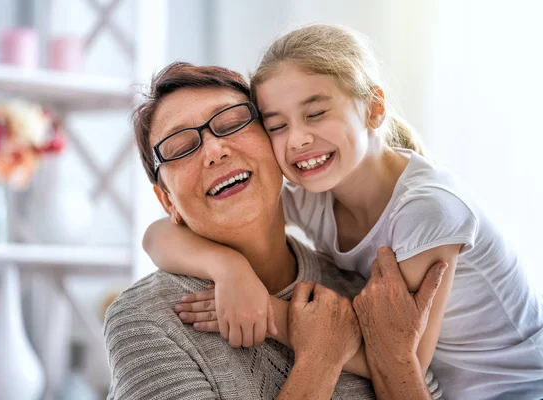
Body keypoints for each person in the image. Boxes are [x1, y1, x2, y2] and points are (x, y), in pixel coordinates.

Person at [144, 25, 543, 399]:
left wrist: (271, 314)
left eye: (315, 113)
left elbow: (402, 361)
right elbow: (156, 235)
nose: (298, 138)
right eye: (277, 125)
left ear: (374, 108)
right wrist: (228, 269)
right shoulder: (316, 192)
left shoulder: (428, 212)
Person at [104, 62, 444, 399]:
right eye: (180, 148)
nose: (214, 150)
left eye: (233, 122)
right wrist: (319, 359)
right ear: (167, 202)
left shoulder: (363, 291)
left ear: (276, 141)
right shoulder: (145, 320)